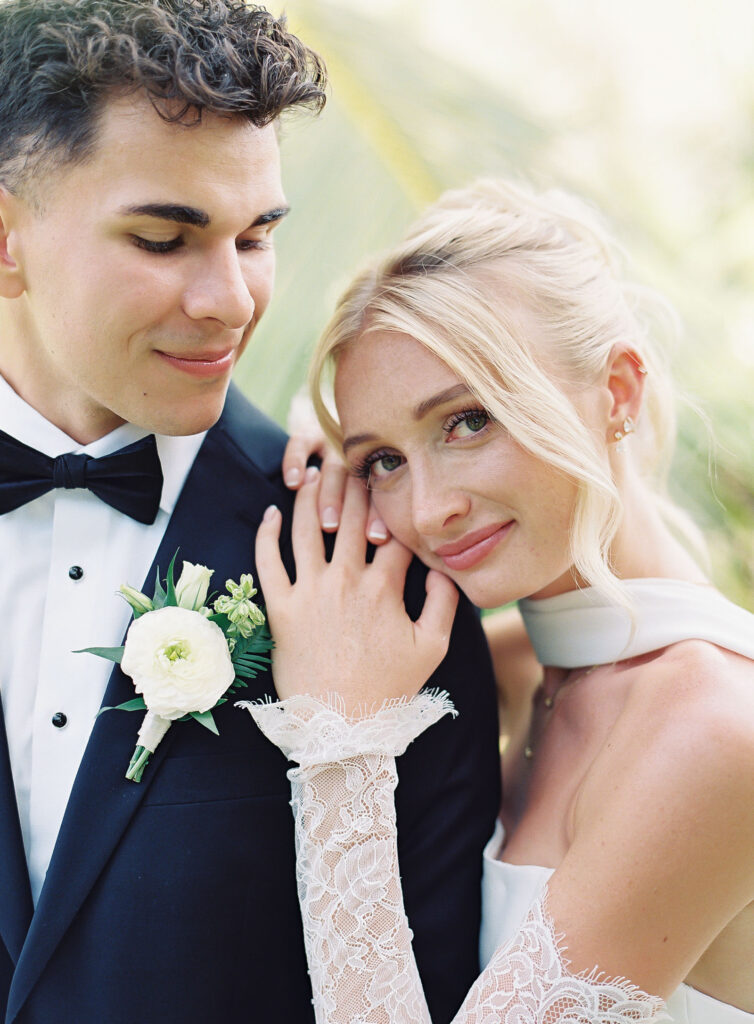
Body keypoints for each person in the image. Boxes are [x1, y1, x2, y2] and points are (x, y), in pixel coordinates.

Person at [0, 3, 500, 1021]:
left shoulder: (372, 567)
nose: (231, 300)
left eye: (258, 235)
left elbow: (432, 981)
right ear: (7, 238)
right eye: (163, 238)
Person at [245, 178, 754, 1022]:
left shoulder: (712, 728)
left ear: (617, 393)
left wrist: (342, 747)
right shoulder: (518, 669)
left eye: (468, 421)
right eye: (384, 461)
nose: (426, 509)